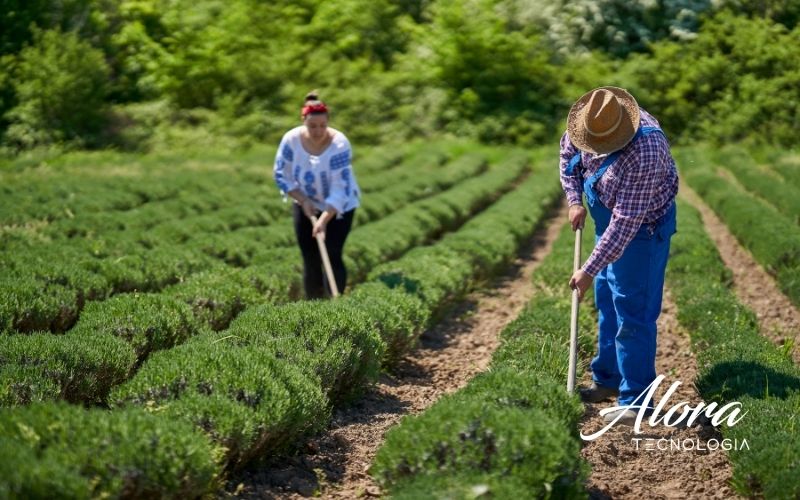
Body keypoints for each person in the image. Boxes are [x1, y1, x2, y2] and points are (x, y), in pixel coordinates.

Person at [559, 86, 678, 425]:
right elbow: (568, 159)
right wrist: (574, 201)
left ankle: (637, 400)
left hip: (641, 229)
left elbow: (626, 223)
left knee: (633, 310)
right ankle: (608, 379)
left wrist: (588, 268)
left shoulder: (647, 148)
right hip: (606, 218)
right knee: (607, 300)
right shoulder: (586, 123)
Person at [273, 91, 361, 299]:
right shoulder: (291, 140)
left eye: (322, 126)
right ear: (303, 121)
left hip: (339, 207)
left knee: (331, 253)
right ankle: (314, 305)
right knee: (310, 257)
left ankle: (334, 302)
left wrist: (323, 220)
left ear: (328, 123)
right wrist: (303, 200)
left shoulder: (340, 144)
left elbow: (341, 186)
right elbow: (281, 175)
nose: (318, 131)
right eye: (313, 126)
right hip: (305, 202)